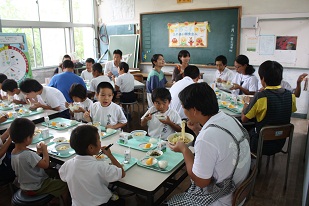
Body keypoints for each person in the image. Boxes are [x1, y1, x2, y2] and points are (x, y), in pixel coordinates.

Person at [167, 82, 250, 205]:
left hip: (223, 198)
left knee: (171, 202)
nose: (183, 111)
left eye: (184, 107)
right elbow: (218, 145)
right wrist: (196, 130)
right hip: (239, 189)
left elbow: (201, 182)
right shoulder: (229, 119)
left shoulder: (207, 138)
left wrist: (185, 150)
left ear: (194, 110)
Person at [59, 125, 125, 206]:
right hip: (100, 204)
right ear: (91, 148)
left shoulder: (67, 165)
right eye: (98, 140)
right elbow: (121, 173)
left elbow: (63, 176)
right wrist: (110, 155)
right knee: (121, 201)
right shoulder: (100, 166)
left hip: (78, 204)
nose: (100, 142)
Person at [241, 60, 297, 155]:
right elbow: (285, 110)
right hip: (280, 142)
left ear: (262, 79)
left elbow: (244, 119)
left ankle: (248, 163)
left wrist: (246, 104)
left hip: (260, 143)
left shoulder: (261, 96)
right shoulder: (290, 95)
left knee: (244, 127)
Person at [10, 118, 67, 199]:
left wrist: (37, 153)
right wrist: (44, 150)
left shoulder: (13, 152)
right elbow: (45, 164)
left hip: (24, 185)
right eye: (32, 135)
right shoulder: (28, 154)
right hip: (37, 186)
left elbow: (28, 163)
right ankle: (60, 201)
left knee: (54, 173)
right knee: (64, 184)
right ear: (27, 139)